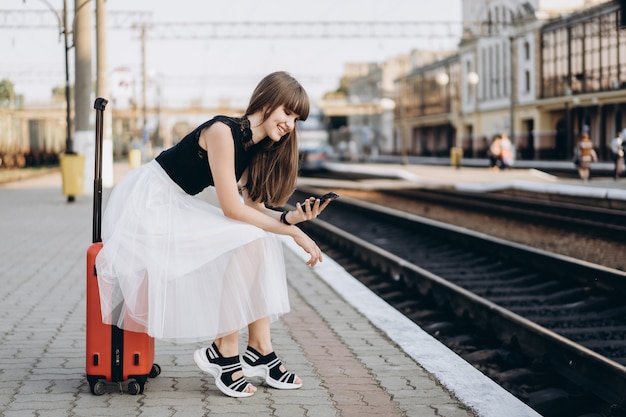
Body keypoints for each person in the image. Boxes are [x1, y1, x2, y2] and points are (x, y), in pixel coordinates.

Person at [95, 71, 332, 398]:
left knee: (256, 236)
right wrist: (295, 236)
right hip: (146, 204)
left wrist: (293, 219)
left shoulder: (255, 147)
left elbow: (255, 208)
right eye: (287, 113)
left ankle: (258, 349)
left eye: (296, 119)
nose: (290, 124)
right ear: (266, 103)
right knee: (250, 236)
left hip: (172, 204)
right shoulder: (223, 132)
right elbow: (232, 209)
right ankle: (225, 350)